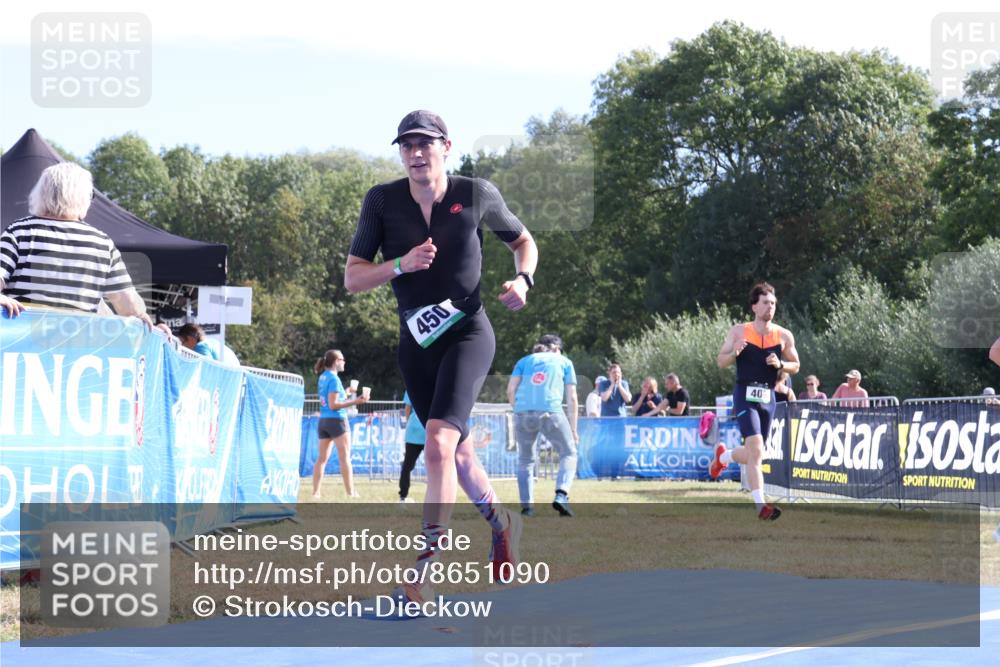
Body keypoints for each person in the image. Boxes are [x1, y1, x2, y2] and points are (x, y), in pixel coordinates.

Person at [344, 110, 537, 601]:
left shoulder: (476, 194)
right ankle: (502, 522)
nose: (414, 153)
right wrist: (400, 264)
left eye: (423, 144)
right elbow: (353, 278)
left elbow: (523, 242)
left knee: (436, 444)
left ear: (445, 146)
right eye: (406, 145)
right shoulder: (382, 201)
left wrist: (523, 279)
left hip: (469, 333)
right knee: (459, 452)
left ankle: (424, 571)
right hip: (417, 344)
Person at [0, 163, 153, 327]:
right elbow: (127, 303)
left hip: (21, 345)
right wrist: (148, 322)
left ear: (41, 193)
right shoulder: (102, 243)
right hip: (77, 346)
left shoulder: (19, 232)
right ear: (83, 197)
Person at [711, 282, 800, 520]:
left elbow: (796, 365)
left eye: (773, 303)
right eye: (765, 303)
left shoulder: (783, 335)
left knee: (755, 454)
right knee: (757, 449)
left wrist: (781, 364)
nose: (770, 307)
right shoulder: (738, 331)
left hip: (768, 397)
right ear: (754, 306)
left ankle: (723, 457)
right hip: (744, 395)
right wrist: (734, 353)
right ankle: (761, 507)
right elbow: (720, 361)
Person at [507, 334, 579, 517]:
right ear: (556, 348)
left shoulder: (523, 361)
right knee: (569, 452)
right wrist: (573, 428)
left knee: (525, 460)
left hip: (523, 412)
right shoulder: (564, 361)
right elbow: (572, 398)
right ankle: (561, 494)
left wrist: (519, 410)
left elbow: (510, 390)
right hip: (550, 411)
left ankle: (527, 508)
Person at [312, 349, 369, 499]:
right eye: (342, 359)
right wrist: (357, 401)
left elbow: (331, 398)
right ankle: (351, 493)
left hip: (324, 421)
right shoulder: (334, 379)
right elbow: (333, 404)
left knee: (321, 459)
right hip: (337, 421)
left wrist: (346, 392)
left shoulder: (323, 377)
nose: (344, 362)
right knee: (345, 459)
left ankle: (316, 493)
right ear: (336, 362)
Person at [398, 391, 426, 504]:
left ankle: (402, 497)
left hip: (414, 430)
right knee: (437, 467)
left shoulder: (412, 382)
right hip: (430, 429)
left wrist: (412, 422)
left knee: (407, 465)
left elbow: (407, 408)